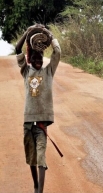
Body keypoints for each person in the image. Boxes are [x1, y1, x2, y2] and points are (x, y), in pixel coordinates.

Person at [15, 24, 61, 193]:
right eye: (35, 59)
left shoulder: (48, 72)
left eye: (41, 59)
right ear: (30, 60)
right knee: (32, 158)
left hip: (41, 123)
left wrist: (49, 34)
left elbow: (57, 53)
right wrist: (27, 32)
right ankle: (35, 184)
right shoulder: (25, 71)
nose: (38, 62)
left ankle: (40, 190)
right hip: (28, 121)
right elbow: (17, 48)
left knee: (41, 156)